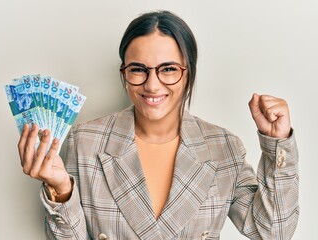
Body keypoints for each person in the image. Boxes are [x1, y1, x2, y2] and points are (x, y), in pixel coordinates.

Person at [18, 11, 299, 240]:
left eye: (168, 69)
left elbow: (273, 232)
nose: (152, 85)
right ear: (124, 73)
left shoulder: (223, 147)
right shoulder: (85, 141)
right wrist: (61, 189)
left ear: (189, 72)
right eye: (138, 69)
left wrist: (277, 145)